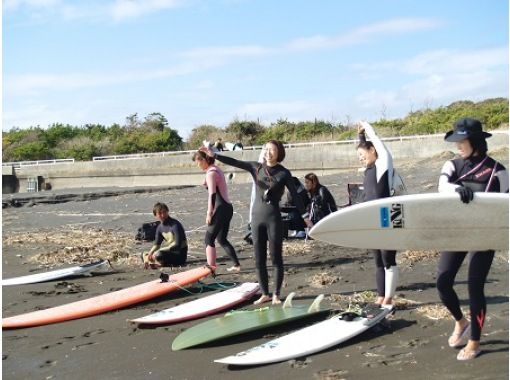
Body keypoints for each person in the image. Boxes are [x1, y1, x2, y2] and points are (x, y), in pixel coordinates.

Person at [201, 140, 312, 305]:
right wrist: (215, 155)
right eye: (266, 149)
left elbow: (295, 195)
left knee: (276, 258)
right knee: (259, 259)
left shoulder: (284, 173)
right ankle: (265, 293)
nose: (268, 152)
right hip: (256, 218)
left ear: (279, 152)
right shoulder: (256, 167)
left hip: (273, 218)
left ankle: (276, 294)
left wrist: (304, 216)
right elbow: (236, 162)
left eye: (272, 149)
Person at [436, 117, 508, 361]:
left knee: (474, 287)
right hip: (457, 231)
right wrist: (457, 189)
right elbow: (442, 187)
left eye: (462, 141)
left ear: (475, 141)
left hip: (484, 234)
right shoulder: (452, 165)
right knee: (443, 282)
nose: (458, 146)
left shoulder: (498, 170)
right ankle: (460, 321)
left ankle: (474, 342)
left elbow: (506, 203)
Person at [357, 121, 398, 308]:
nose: (360, 158)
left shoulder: (383, 164)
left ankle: (389, 297)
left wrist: (368, 128)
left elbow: (379, 146)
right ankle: (381, 295)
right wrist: (360, 138)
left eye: (362, 154)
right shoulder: (368, 170)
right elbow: (364, 149)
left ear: (372, 150)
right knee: (378, 260)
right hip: (372, 219)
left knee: (388, 259)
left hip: (386, 217)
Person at [192, 150, 241, 272]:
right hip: (227, 208)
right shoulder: (215, 169)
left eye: (197, 162)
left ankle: (211, 267)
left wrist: (209, 213)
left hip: (220, 208)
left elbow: (212, 195)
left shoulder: (211, 173)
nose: (197, 165)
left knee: (208, 239)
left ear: (204, 160)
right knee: (222, 239)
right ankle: (236, 265)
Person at [142, 202, 188, 269]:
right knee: (144, 254)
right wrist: (150, 253)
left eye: (164, 212)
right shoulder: (159, 228)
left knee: (159, 254)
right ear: (155, 215)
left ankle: (157, 263)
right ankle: (149, 263)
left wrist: (159, 251)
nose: (163, 215)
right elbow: (157, 245)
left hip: (179, 255)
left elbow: (178, 245)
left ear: (167, 212)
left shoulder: (175, 225)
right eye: (160, 213)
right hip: (169, 253)